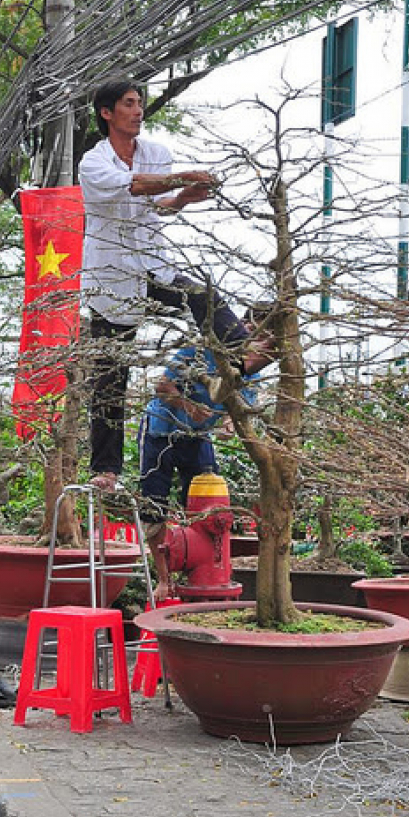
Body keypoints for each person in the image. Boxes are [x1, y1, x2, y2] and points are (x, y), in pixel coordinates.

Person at [79, 82, 272, 489]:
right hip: (110, 275)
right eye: (128, 104)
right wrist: (180, 178)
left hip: (152, 265)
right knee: (111, 372)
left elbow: (155, 205)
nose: (137, 111)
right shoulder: (93, 163)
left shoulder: (155, 152)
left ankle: (238, 361)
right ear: (106, 113)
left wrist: (183, 197)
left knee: (201, 295)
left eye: (140, 103)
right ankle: (106, 469)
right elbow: (135, 186)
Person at [138, 306, 274, 601]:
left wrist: (229, 423)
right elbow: (163, 384)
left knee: (207, 504)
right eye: (254, 332)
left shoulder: (250, 373)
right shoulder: (200, 351)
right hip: (160, 431)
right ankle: (163, 579)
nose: (259, 342)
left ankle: (197, 568)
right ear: (242, 328)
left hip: (198, 437)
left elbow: (239, 409)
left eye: (266, 338)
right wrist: (189, 407)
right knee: (154, 505)